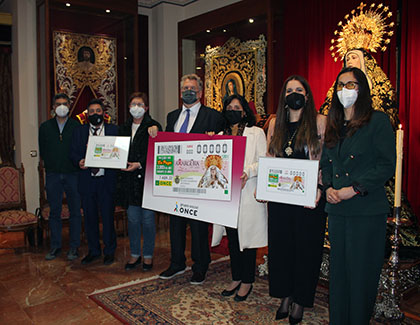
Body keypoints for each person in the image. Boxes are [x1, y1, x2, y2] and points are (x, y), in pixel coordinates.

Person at [320, 67, 396, 324]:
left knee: (361, 275)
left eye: (351, 84)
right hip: (338, 210)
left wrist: (353, 189)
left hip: (366, 209)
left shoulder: (378, 121)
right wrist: (327, 187)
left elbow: (386, 165)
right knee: (339, 275)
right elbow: (326, 163)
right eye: (341, 85)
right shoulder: (334, 123)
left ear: (361, 88)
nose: (345, 90)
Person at [266, 75, 327, 324]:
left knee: (306, 249)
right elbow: (269, 157)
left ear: (307, 94)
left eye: (299, 89)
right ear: (284, 97)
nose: (294, 94)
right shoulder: (274, 124)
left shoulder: (320, 122)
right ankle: (285, 295)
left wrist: (321, 188)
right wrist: (264, 188)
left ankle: (301, 299)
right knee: (281, 248)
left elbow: (326, 159)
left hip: (309, 198)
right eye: (289, 90)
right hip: (280, 199)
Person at [158, 73, 224, 284]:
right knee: (175, 224)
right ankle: (177, 263)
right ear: (180, 92)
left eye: (192, 89)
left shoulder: (213, 116)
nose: (188, 92)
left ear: (200, 92)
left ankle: (200, 266)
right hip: (177, 181)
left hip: (199, 182)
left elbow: (222, 148)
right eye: (185, 88)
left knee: (198, 226)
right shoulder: (171, 117)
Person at [211, 94, 267, 302]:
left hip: (247, 191)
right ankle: (236, 277)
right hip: (227, 194)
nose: (232, 110)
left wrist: (247, 172)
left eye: (237, 107)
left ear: (244, 111)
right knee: (233, 238)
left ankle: (247, 281)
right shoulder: (218, 135)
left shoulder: (257, 133)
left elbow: (263, 161)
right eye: (229, 107)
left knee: (248, 239)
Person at [116, 92, 162, 271]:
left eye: (140, 104)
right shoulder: (123, 128)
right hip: (128, 183)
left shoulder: (153, 126)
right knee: (133, 220)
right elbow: (115, 151)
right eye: (133, 104)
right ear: (129, 108)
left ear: (146, 108)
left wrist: (140, 164)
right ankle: (135, 254)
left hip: (147, 181)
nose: (136, 108)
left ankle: (148, 256)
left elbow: (159, 153)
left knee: (148, 220)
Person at [70, 98, 118, 266]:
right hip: (87, 182)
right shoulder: (79, 131)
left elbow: (121, 152)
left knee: (107, 218)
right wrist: (79, 161)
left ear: (103, 113)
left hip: (106, 181)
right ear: (87, 115)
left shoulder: (114, 130)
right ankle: (94, 251)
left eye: (98, 111)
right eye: (91, 112)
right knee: (90, 218)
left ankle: (109, 251)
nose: (95, 114)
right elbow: (73, 152)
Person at [39, 93, 82, 261]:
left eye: (65, 103)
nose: (62, 106)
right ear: (53, 107)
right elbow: (43, 150)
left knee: (75, 212)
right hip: (53, 174)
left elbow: (79, 148)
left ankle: (74, 247)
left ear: (69, 106)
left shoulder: (76, 125)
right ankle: (55, 246)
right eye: (58, 103)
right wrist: (50, 165)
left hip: (73, 174)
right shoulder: (45, 127)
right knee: (54, 211)